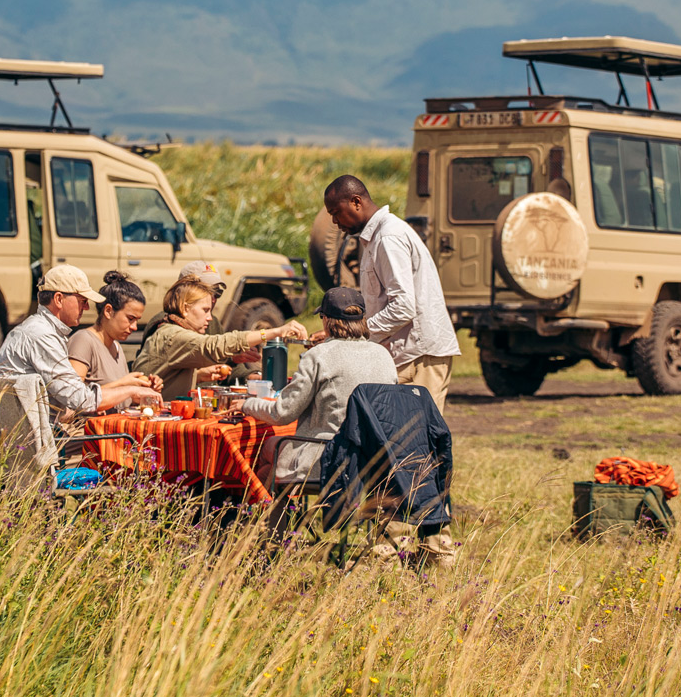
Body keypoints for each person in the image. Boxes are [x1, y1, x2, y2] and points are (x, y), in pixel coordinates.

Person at [321, 175, 461, 413]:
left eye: (336, 212)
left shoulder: (388, 238)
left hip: (418, 356)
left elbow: (404, 306)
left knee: (416, 440)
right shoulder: (374, 239)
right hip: (406, 353)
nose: (335, 222)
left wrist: (355, 335)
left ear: (356, 201)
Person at [236, 286, 396, 483]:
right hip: (373, 458)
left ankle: (261, 511)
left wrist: (246, 404)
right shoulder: (383, 354)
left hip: (327, 455)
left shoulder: (319, 356)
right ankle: (286, 510)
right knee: (272, 465)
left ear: (326, 320)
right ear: (363, 320)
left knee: (269, 448)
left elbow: (282, 413)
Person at [0, 265, 162, 415]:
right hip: (21, 439)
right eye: (82, 301)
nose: (87, 307)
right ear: (59, 299)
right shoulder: (41, 335)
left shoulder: (42, 330)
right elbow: (80, 400)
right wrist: (130, 390)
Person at [133, 274, 307, 401]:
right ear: (185, 309)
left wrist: (199, 375)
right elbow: (215, 345)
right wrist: (274, 332)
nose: (209, 318)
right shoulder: (172, 335)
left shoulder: (176, 331)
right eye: (205, 310)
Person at [68, 271, 163, 409]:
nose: (134, 327)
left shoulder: (116, 346)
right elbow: (72, 399)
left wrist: (145, 390)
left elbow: (120, 400)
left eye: (137, 320)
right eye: (130, 319)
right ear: (108, 311)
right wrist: (125, 385)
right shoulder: (83, 341)